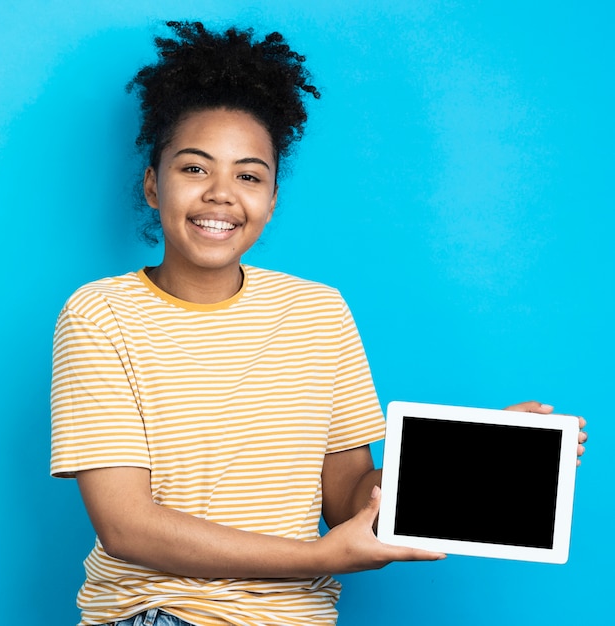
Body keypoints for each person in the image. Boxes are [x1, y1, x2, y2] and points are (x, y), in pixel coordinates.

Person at [50, 21, 588, 626]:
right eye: (195, 169)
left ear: (272, 199)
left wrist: (471, 455)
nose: (222, 194)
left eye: (249, 175)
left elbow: (349, 496)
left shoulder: (318, 311)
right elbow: (127, 526)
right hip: (161, 612)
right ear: (153, 184)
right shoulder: (100, 313)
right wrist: (319, 555)